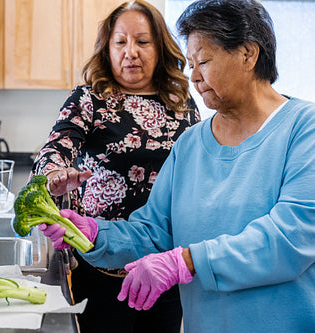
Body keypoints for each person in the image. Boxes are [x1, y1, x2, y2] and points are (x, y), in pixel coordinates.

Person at [40, 0, 315, 332]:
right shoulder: (190, 144)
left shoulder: (304, 129)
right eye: (191, 64)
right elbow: (155, 232)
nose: (195, 77)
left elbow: (290, 237)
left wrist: (187, 261)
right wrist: (96, 234)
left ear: (247, 54)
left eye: (204, 61)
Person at [30, 1, 200, 332]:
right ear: (107, 49)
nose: (131, 52)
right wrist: (54, 174)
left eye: (142, 41)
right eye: (120, 42)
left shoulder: (182, 103)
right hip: (97, 263)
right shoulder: (89, 99)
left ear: (160, 47)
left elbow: (197, 167)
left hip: (161, 265)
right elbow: (57, 145)